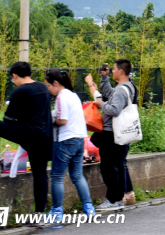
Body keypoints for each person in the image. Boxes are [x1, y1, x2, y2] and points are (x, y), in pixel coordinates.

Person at [0, 61, 53, 215]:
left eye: (12, 78)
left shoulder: (20, 91)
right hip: (45, 139)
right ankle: (39, 213)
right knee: (40, 174)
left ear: (14, 75)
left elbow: (8, 119)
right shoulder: (43, 87)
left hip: (28, 134)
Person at [84, 59, 137, 211]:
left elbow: (114, 110)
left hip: (111, 132)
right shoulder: (126, 87)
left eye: (113, 69)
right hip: (117, 133)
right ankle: (118, 199)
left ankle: (113, 200)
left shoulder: (121, 89)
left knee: (108, 168)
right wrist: (104, 78)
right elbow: (110, 94)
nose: (112, 71)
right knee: (115, 166)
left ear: (121, 71)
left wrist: (100, 104)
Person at [44, 69, 96, 219]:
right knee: (77, 176)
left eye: (48, 85)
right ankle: (89, 208)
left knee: (57, 177)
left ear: (55, 83)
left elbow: (62, 120)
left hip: (66, 141)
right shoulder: (74, 95)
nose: (48, 89)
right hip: (80, 140)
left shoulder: (61, 97)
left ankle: (57, 211)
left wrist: (49, 120)